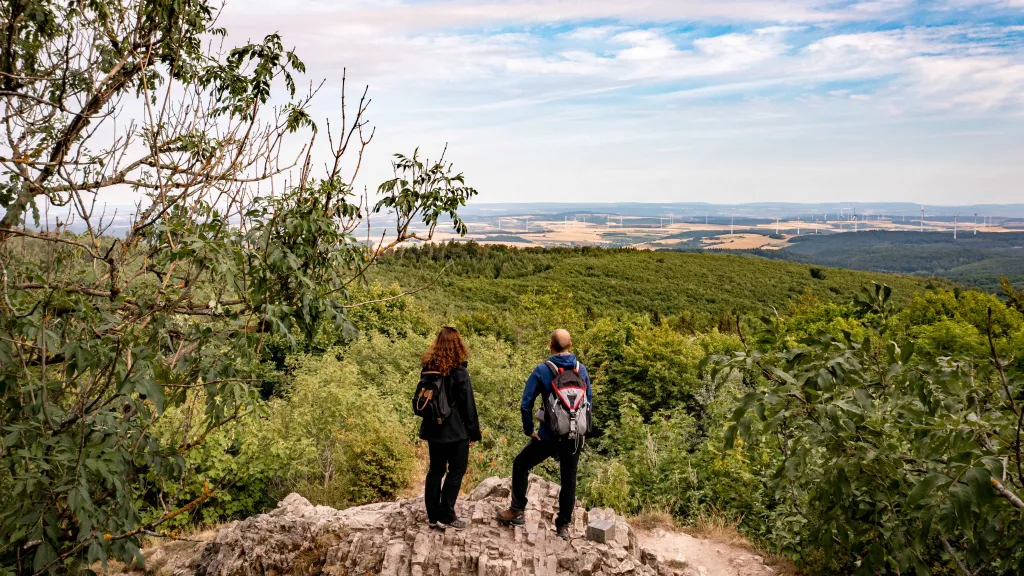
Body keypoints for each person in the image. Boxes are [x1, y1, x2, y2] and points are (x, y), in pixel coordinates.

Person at [496, 328, 592, 540]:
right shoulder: (581, 370)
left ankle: (516, 510)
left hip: (547, 437)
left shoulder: (542, 370)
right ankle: (563, 526)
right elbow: (589, 403)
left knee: (520, 464)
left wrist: (529, 429)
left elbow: (526, 403)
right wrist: (579, 430)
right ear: (571, 345)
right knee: (569, 480)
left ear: (550, 346)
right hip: (574, 437)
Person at [419, 327, 481, 531]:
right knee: (456, 470)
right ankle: (446, 515)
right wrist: (473, 433)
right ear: (458, 345)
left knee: (435, 470)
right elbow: (468, 405)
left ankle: (432, 517)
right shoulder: (459, 371)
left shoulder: (428, 367)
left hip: (433, 428)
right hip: (455, 431)